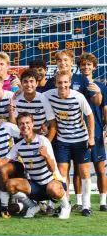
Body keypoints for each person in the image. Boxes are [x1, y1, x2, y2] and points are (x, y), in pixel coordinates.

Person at [0, 112, 71, 219]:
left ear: (33, 124)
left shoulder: (43, 141)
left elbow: (52, 169)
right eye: (21, 124)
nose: (25, 126)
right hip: (35, 186)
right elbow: (0, 164)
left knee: (53, 188)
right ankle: (34, 206)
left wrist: (46, 156)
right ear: (18, 126)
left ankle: (66, 206)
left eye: (27, 123)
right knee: (9, 185)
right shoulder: (18, 146)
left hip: (52, 183)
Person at [44, 70, 95, 217]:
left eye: (66, 82)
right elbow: (35, 94)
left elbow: (90, 116)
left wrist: (91, 137)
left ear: (70, 83)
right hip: (63, 140)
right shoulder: (49, 95)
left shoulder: (78, 97)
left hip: (80, 139)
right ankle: (65, 203)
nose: (63, 85)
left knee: (85, 173)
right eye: (60, 82)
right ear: (55, 83)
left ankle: (86, 205)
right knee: (62, 173)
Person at [77, 53, 107, 212]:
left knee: (100, 169)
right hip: (77, 133)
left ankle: (103, 202)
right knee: (80, 170)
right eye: (83, 64)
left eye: (89, 65)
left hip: (96, 132)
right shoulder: (74, 84)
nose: (86, 67)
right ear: (79, 66)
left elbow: (104, 108)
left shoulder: (101, 86)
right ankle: (82, 202)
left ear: (94, 67)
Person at [13, 69, 57, 142]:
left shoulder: (43, 99)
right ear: (21, 83)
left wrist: (47, 144)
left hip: (40, 140)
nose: (29, 85)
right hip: (22, 140)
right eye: (25, 81)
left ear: (36, 83)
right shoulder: (16, 99)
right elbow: (14, 124)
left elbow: (53, 125)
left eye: (31, 81)